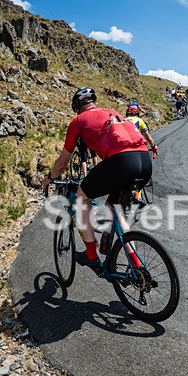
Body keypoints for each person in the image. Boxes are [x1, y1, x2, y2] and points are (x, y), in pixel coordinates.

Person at [42, 87, 154, 272]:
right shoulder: (114, 112)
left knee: (81, 197)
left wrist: (49, 178)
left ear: (77, 107)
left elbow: (62, 164)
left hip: (121, 162)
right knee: (117, 211)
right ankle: (137, 267)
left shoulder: (78, 121)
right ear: (94, 102)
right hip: (144, 161)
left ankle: (90, 255)